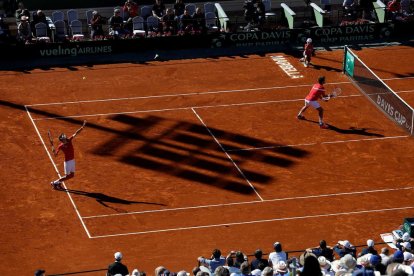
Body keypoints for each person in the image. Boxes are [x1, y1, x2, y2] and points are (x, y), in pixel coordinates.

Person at [50, 120, 86, 189]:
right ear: (62, 140)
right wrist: (54, 151)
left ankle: (57, 183)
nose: (66, 138)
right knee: (67, 176)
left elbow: (76, 133)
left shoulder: (69, 140)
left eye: (65, 137)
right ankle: (54, 183)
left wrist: (82, 127)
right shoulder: (60, 146)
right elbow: (55, 155)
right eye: (64, 138)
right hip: (67, 162)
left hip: (72, 161)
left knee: (72, 175)